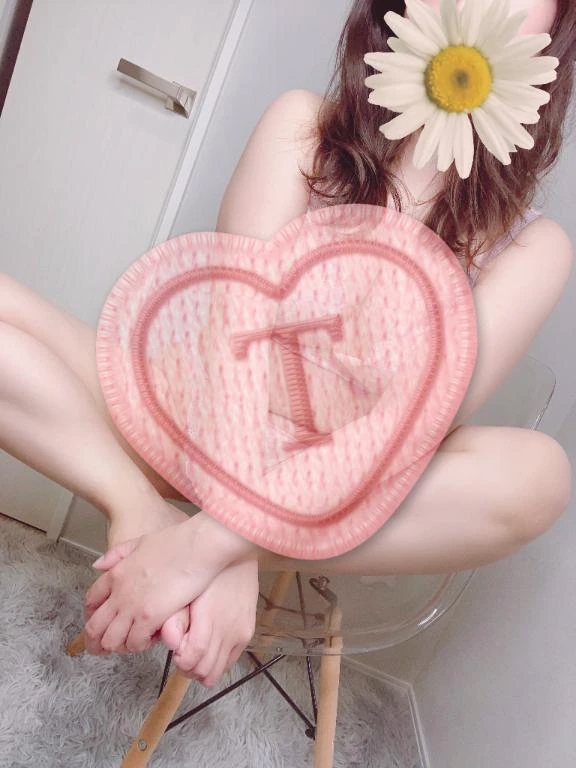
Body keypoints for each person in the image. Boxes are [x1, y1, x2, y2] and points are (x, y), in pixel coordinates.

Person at [1, 0, 574, 689]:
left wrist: (224, 541)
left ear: (558, 28)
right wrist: (224, 525)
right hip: (196, 418)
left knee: (540, 474)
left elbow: (403, 435)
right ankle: (138, 509)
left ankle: (197, 546)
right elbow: (230, 344)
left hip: (337, 495)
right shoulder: (302, 125)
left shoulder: (534, 248)